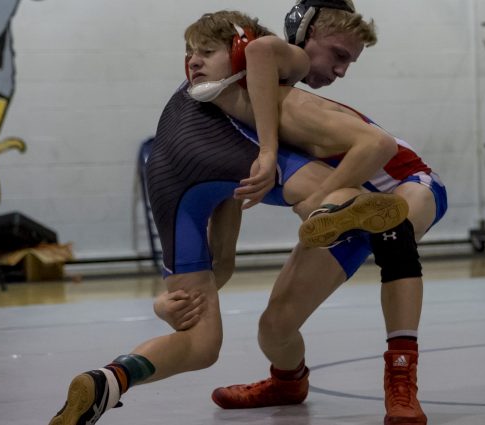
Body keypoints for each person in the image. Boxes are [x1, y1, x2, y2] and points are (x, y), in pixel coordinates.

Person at [46, 5, 410, 425]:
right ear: (242, 47)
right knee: (332, 186)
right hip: (223, 155)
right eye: (191, 53)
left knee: (200, 341)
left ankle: (108, 380)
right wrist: (270, 150)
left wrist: (165, 303)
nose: (194, 61)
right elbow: (262, 56)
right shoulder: (279, 61)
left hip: (174, 184)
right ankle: (340, 210)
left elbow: (223, 261)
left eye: (204, 51)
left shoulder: (202, 99)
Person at [161, 8, 447, 425]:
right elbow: (223, 245)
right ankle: (288, 381)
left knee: (393, 226)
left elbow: (378, 147)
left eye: (347, 60)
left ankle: (400, 380)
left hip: (407, 183)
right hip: (345, 205)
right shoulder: (238, 115)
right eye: (338, 56)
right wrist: (171, 301)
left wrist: (297, 181)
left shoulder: (284, 98)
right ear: (306, 34)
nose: (342, 71)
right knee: (273, 327)